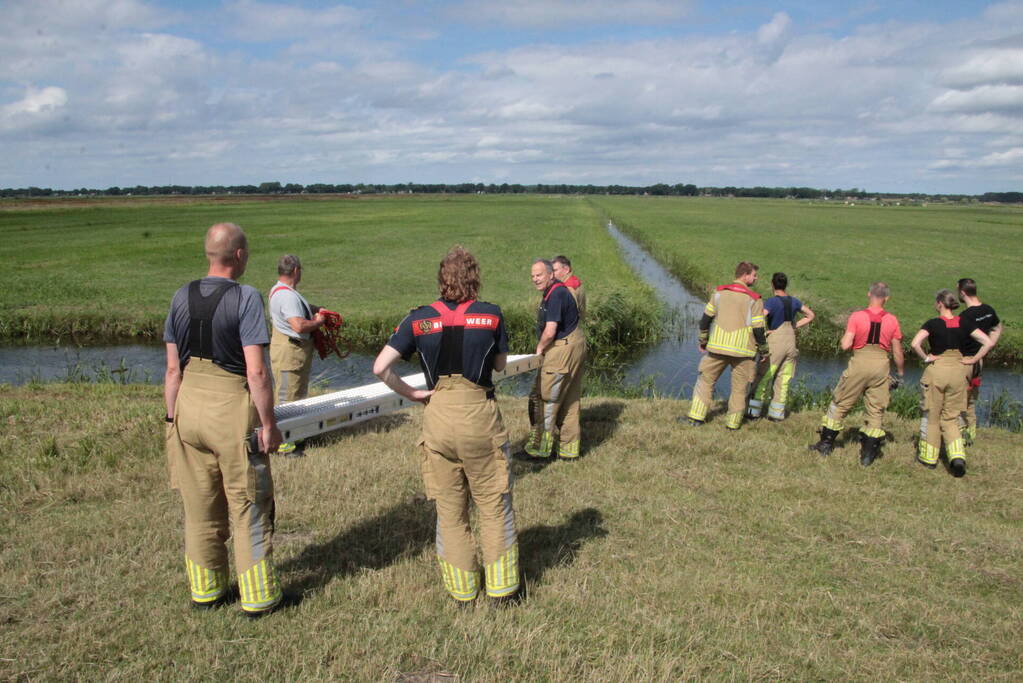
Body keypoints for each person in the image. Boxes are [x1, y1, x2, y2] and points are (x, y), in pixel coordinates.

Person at [373, 246, 520, 605]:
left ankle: (462, 590)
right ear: (474, 277)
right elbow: (499, 365)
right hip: (479, 417)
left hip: (438, 416)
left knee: (451, 511)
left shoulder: (417, 318)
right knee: (492, 505)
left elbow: (380, 367)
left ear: (441, 278)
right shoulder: (492, 314)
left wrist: (412, 393)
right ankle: (502, 590)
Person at [163, 222, 284, 616]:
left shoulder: (180, 295)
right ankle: (259, 598)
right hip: (229, 408)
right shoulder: (247, 298)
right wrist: (268, 424)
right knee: (248, 502)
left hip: (186, 407)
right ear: (239, 256)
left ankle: (206, 592)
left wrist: (171, 420)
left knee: (199, 506)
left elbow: (171, 371)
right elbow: (258, 372)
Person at [809, 282, 905, 466]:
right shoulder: (892, 320)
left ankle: (826, 443)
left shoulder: (857, 316)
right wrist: (900, 373)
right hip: (881, 365)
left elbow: (845, 345)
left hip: (859, 362)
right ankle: (868, 455)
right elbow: (898, 352)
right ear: (887, 298)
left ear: (869, 294)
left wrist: (848, 338)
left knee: (841, 402)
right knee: (876, 409)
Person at [910, 289, 994, 477]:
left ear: (940, 303)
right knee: (951, 416)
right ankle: (957, 457)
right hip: (958, 371)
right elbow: (987, 342)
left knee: (932, 415)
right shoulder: (964, 322)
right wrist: (972, 360)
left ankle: (929, 458)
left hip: (937, 370)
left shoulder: (932, 323)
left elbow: (915, 343)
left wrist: (927, 358)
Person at [684, 261, 766, 430]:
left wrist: (703, 341)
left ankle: (696, 418)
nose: (756, 278)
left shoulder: (719, 293)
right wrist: (764, 350)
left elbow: (705, 320)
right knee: (739, 389)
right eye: (754, 275)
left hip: (717, 348)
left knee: (705, 381)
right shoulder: (755, 299)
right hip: (744, 351)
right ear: (745, 275)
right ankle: (733, 424)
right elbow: (759, 329)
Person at [521, 258, 586, 459]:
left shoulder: (556, 294)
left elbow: (550, 331)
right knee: (570, 401)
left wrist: (539, 349)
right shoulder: (558, 290)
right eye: (532, 276)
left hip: (561, 351)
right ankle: (569, 450)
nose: (535, 279)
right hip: (575, 346)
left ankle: (541, 450)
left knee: (546, 399)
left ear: (551, 274)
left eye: (539, 275)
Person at [268, 254, 326, 455]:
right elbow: (299, 325)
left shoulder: (282, 291)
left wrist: (316, 309)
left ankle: (296, 435)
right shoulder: (287, 295)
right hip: (290, 353)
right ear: (295, 271)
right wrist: (319, 322)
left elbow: (296, 309)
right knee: (286, 397)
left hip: (292, 351)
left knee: (297, 394)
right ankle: (284, 444)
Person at [747, 272, 815, 421]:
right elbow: (810, 315)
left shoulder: (771, 302)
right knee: (783, 379)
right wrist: (794, 326)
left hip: (775, 342)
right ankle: (776, 415)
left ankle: (753, 412)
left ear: (772, 284)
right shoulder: (795, 301)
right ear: (786, 285)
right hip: (790, 342)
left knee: (764, 376)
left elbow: (760, 317)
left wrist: (765, 331)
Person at [957, 278, 1002, 446]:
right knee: (971, 400)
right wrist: (986, 349)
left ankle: (960, 435)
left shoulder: (965, 317)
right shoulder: (988, 310)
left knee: (959, 399)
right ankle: (972, 432)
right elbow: (997, 329)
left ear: (962, 293)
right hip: (979, 362)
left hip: (965, 361)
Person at [552, 254, 587, 322]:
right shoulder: (574, 280)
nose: (552, 274)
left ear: (566, 270)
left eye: (555, 270)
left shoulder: (568, 287)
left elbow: (570, 313)